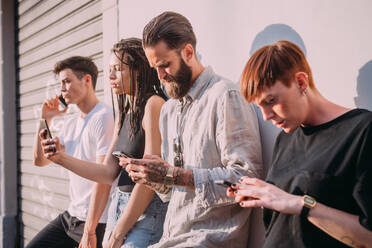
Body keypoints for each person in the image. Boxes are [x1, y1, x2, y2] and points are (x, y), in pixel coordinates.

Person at [124, 11, 263, 247]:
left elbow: (248, 179)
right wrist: (150, 177)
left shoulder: (225, 96)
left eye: (165, 65)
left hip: (211, 240)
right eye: (154, 68)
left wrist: (174, 175)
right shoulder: (169, 111)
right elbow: (170, 194)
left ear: (188, 53)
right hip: (172, 237)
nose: (160, 76)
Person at [230, 40, 372, 247]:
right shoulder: (286, 138)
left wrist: (299, 203)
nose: (266, 116)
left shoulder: (362, 131)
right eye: (259, 106)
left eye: (270, 101)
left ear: (301, 82)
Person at [39, 38, 169, 248]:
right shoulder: (124, 112)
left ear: (138, 70)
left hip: (146, 211)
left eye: (118, 69)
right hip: (119, 206)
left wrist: (117, 234)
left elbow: (149, 180)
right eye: (110, 69)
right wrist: (61, 158)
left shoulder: (154, 104)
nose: (110, 76)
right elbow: (108, 173)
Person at [29, 56, 114, 248]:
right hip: (71, 217)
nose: (62, 89)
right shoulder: (72, 122)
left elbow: (104, 178)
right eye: (61, 83)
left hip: (97, 221)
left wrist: (89, 230)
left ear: (87, 80)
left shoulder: (104, 117)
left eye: (67, 81)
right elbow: (40, 160)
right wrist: (45, 120)